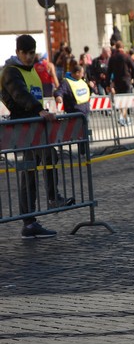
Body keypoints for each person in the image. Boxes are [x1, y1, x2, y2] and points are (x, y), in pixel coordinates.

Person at [0, 34, 73, 239]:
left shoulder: (30, 70)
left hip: (34, 127)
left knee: (43, 160)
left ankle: (42, 208)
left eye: (33, 53)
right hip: (24, 127)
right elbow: (20, 94)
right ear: (18, 53)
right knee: (30, 171)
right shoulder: (10, 73)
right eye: (26, 53)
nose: (30, 57)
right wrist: (38, 109)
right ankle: (32, 219)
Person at [105, 40, 134, 125]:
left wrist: (107, 84)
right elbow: (133, 67)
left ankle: (124, 117)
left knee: (121, 100)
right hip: (126, 81)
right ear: (123, 47)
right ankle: (123, 117)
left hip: (117, 81)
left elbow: (109, 72)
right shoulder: (126, 56)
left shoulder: (112, 58)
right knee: (125, 100)